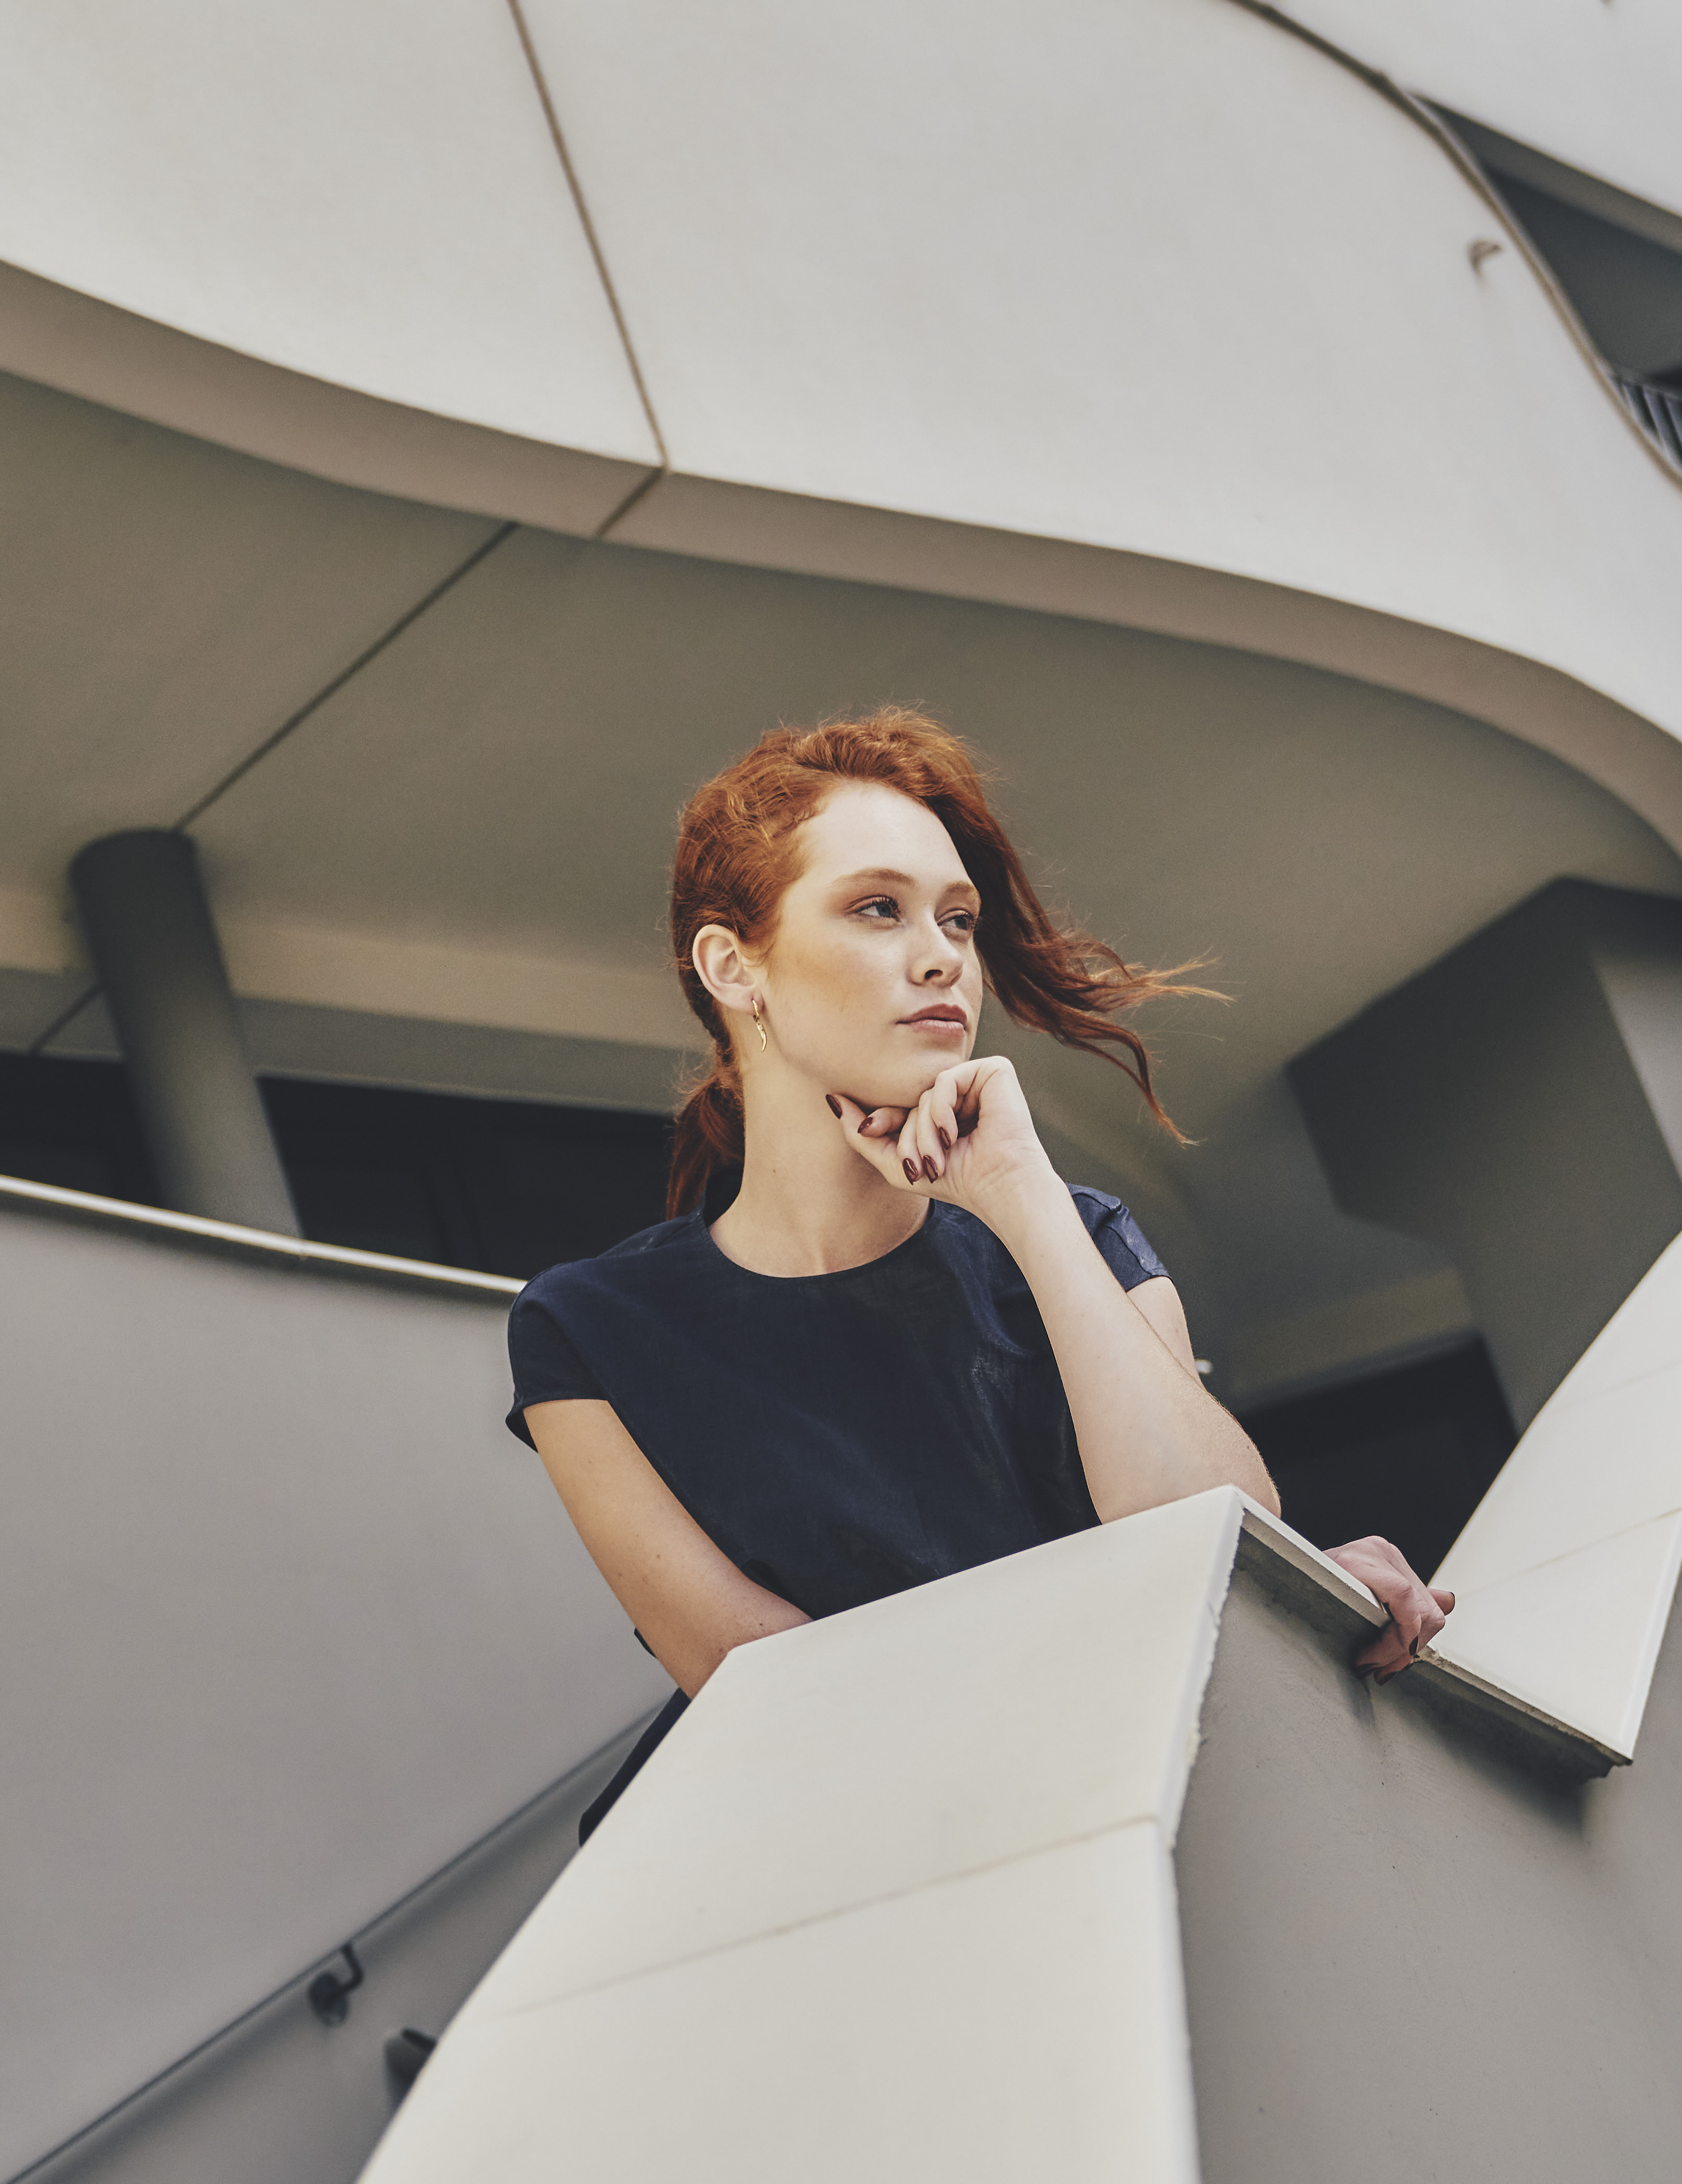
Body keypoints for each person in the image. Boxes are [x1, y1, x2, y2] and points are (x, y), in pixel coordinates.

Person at [508, 709, 1454, 1722]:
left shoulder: (1072, 1236)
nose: (942, 958)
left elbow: (1215, 1539)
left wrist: (1018, 1191)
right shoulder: (587, 1329)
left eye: (957, 918)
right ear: (734, 966)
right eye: (877, 908)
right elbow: (776, 1691)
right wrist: (1170, 1595)